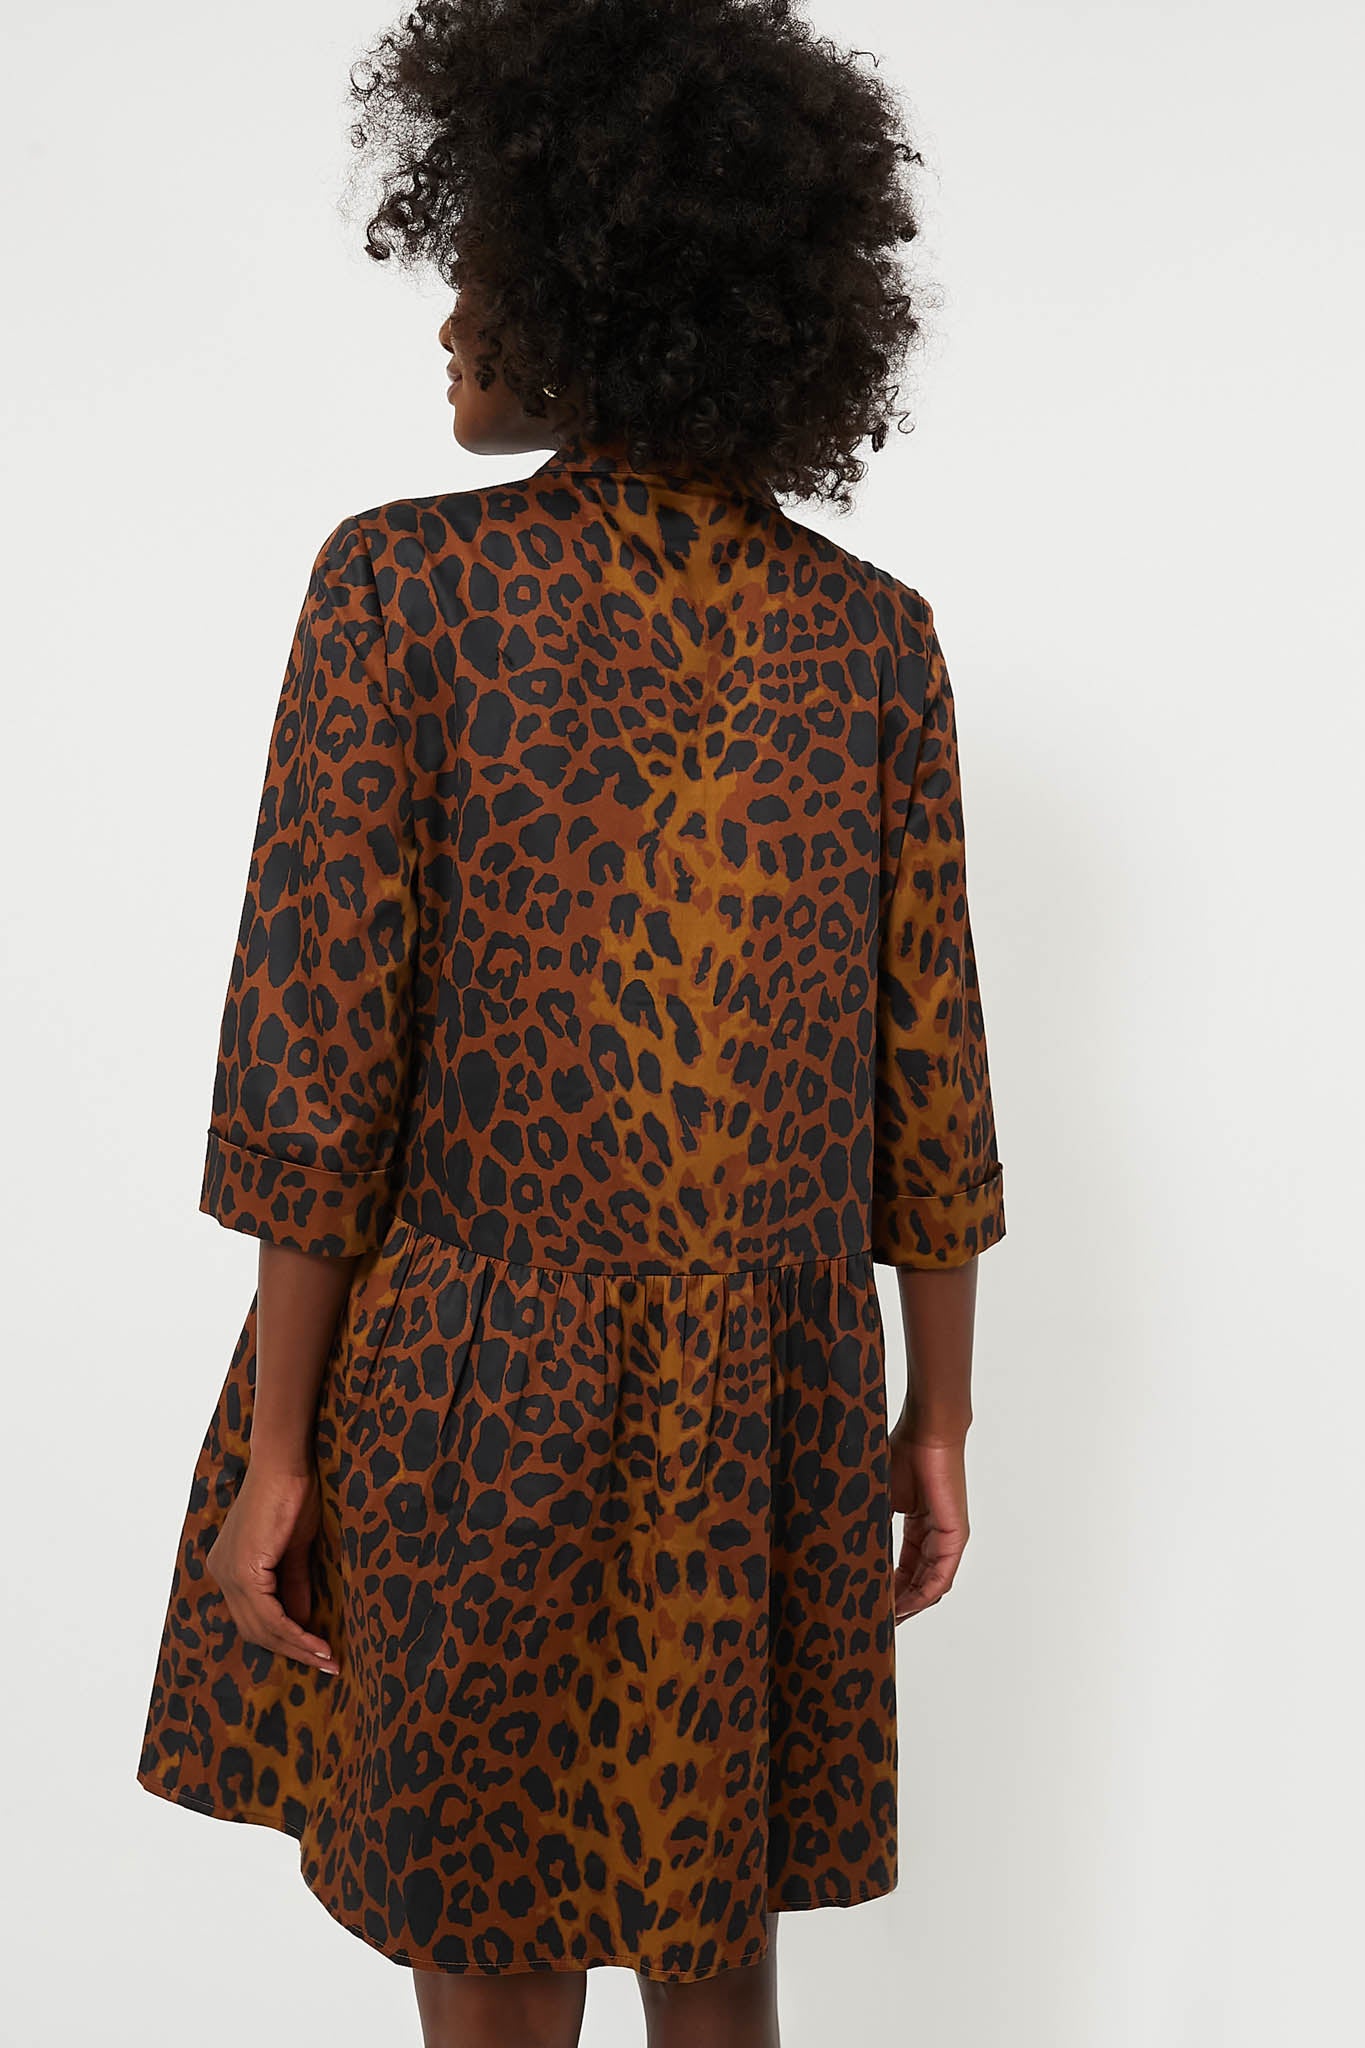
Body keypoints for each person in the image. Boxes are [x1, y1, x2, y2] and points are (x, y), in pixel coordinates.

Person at [136, 2, 1006, 2043]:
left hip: (471, 1396)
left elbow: (316, 1068)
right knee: (715, 1959)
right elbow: (932, 1088)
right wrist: (934, 1417)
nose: (453, 320)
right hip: (769, 1405)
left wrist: (283, 1455)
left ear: (595, 296)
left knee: (494, 1951)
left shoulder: (405, 591)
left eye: (486, 271)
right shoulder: (871, 641)